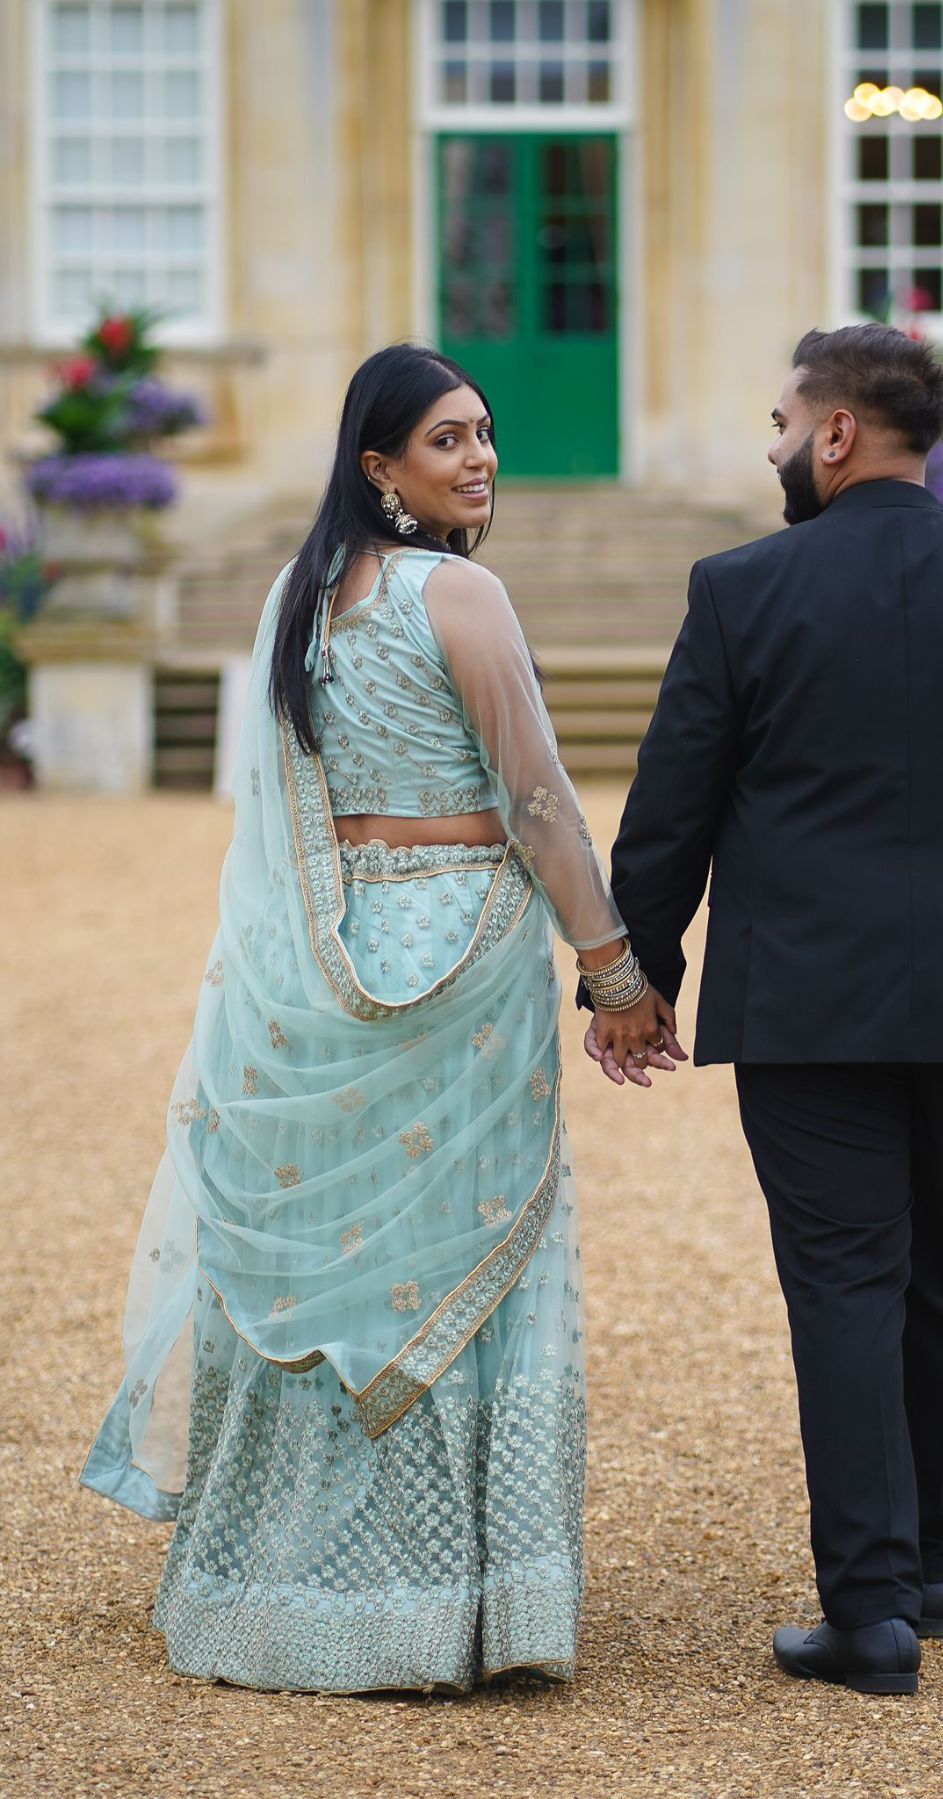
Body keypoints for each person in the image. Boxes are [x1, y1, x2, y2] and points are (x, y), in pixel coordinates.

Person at [583, 324, 943, 1695]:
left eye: (783, 422)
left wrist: (634, 981)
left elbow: (671, 810)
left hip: (808, 1004)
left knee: (847, 1283)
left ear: (837, 433)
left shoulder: (741, 589)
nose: (775, 446)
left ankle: (872, 1613)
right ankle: (938, 1565)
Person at [81, 342, 667, 1694]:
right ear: (380, 466)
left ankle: (276, 1582)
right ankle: (454, 1605)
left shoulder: (299, 599)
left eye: (485, 433)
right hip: (462, 958)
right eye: (449, 439)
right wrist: (615, 971)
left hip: (326, 951)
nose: (482, 458)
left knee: (332, 1262)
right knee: (463, 1252)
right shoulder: (459, 593)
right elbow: (536, 800)